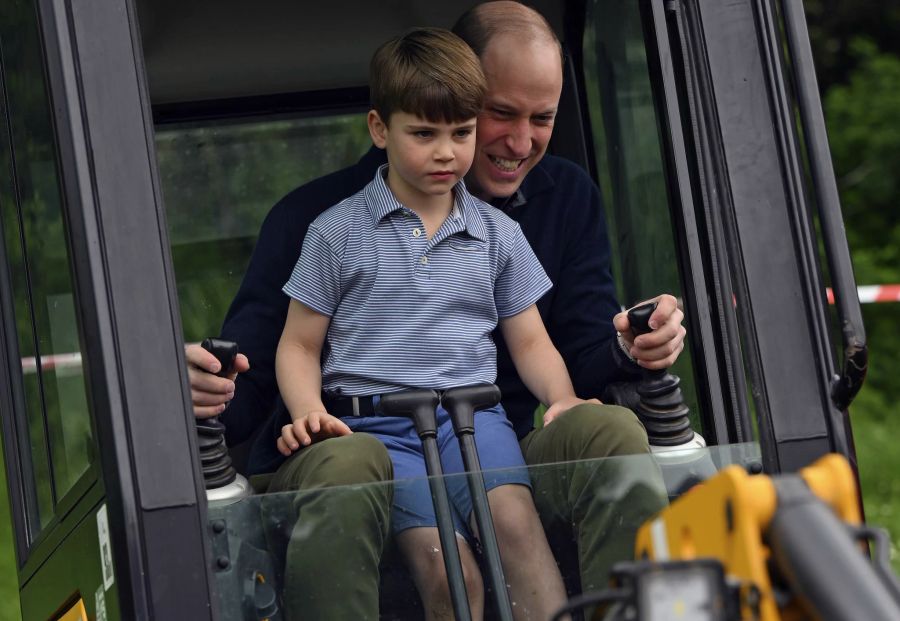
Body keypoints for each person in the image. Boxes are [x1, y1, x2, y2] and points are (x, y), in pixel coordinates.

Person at [187, 1, 684, 618]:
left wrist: (630, 348)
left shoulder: (541, 212)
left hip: (491, 431)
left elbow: (560, 345)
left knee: (609, 433)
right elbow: (269, 364)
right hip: (367, 437)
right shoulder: (323, 225)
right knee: (356, 472)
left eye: (543, 118)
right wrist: (208, 388)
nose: (520, 141)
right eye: (500, 114)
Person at [275, 26, 573, 620]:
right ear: (380, 129)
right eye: (424, 134)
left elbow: (531, 339)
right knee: (446, 568)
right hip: (381, 431)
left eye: (462, 133)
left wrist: (561, 397)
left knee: (517, 531)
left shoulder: (497, 234)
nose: (446, 153)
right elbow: (299, 344)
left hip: (476, 420)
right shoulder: (336, 231)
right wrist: (309, 410)